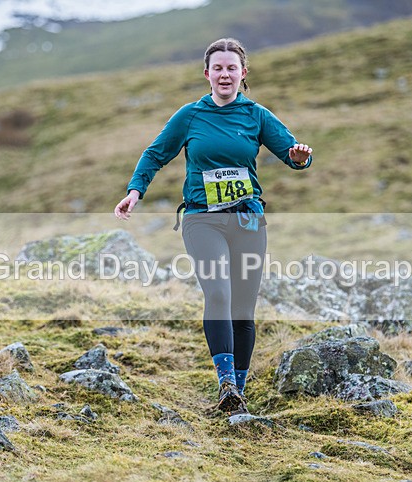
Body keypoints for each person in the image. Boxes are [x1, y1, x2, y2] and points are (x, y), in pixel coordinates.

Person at [114, 38, 312, 416]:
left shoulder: (256, 115)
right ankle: (224, 382)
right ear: (207, 74)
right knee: (218, 292)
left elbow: (292, 154)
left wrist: (301, 158)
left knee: (243, 307)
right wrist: (135, 191)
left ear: (243, 73)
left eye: (231, 68)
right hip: (202, 219)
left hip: (248, 219)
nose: (224, 74)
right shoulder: (190, 116)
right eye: (217, 68)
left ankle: (236, 389)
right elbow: (156, 154)